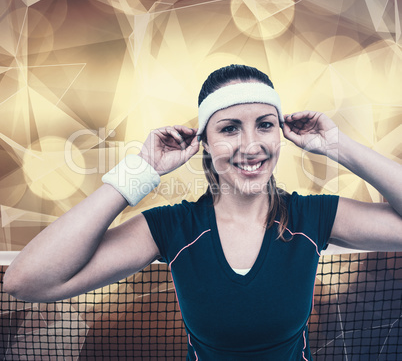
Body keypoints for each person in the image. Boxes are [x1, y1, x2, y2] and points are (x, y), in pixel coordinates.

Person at [4, 64, 402, 360]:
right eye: (229, 128)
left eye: (265, 125)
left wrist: (337, 146)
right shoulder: (172, 228)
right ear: (205, 143)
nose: (251, 145)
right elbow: (27, 282)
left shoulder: (311, 218)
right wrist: (141, 172)